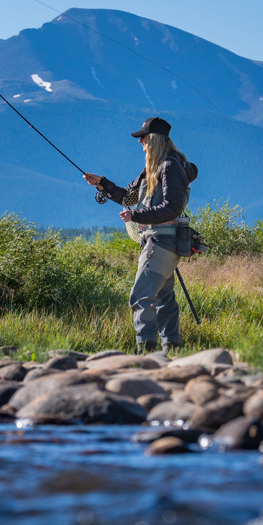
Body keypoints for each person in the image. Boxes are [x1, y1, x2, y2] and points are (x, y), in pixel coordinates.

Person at [82, 116, 198, 355]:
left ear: (153, 139)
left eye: (143, 138)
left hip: (161, 242)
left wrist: (136, 217)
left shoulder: (168, 166)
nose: (140, 142)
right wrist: (102, 183)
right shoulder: (153, 168)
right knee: (165, 299)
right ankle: (171, 350)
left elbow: (172, 207)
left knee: (141, 295)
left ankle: (145, 352)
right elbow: (129, 196)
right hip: (160, 241)